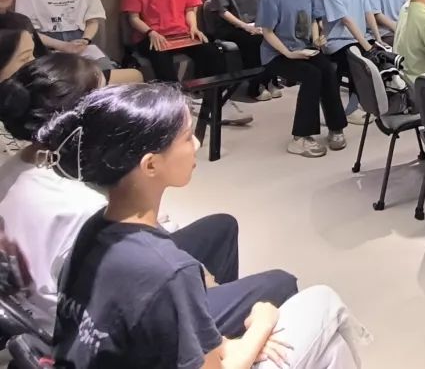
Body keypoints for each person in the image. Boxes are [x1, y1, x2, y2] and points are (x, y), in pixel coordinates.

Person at [43, 83, 367, 368]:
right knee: (325, 302)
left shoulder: (92, 229)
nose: (197, 144)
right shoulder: (170, 271)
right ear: (151, 165)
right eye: (187, 138)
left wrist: (225, 344)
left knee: (331, 347)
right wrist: (261, 323)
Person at [0, 56, 297, 325]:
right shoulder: (88, 210)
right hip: (92, 328)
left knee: (221, 228)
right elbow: (130, 288)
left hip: (45, 307)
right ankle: (208, 339)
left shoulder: (16, 168)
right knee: (279, 283)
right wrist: (200, 282)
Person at [257, 0, 347, 158]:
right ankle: (300, 138)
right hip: (277, 53)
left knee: (327, 69)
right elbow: (267, 32)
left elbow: (315, 18)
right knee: (311, 74)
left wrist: (316, 39)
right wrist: (289, 53)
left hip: (303, 49)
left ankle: (336, 127)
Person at [322, 0, 381, 124]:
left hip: (359, 36)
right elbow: (345, 19)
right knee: (358, 61)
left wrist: (377, 38)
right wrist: (366, 46)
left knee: (381, 57)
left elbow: (368, 10)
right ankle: (351, 109)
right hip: (338, 40)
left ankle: (364, 103)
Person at [211, 0, 276, 102]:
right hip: (232, 26)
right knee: (254, 41)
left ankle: (269, 80)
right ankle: (254, 87)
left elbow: (265, 2)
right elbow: (222, 11)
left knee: (273, 35)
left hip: (256, 23)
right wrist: (245, 26)